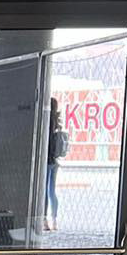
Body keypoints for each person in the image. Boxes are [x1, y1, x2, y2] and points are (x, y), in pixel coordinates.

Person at [45, 97, 68, 232]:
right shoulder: (57, 123)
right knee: (51, 191)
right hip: (55, 160)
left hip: (47, 160)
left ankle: (44, 220)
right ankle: (54, 220)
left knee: (44, 191)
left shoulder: (46, 122)